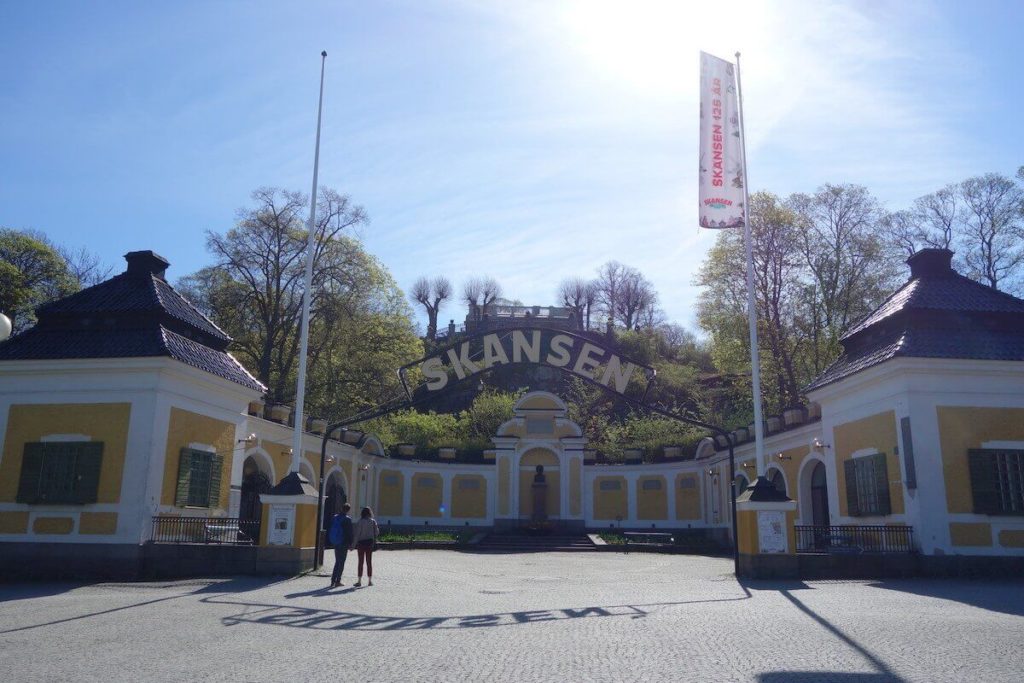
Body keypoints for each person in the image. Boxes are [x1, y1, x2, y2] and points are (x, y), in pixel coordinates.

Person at [351, 506, 379, 587]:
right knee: (369, 562)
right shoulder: (373, 521)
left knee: (360, 562)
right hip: (369, 544)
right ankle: (370, 581)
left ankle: (359, 581)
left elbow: (357, 535)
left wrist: (353, 546)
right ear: (370, 513)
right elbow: (377, 532)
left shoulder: (360, 522)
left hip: (361, 544)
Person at [328, 503, 354, 587]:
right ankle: (337, 581)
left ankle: (332, 580)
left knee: (337, 562)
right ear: (348, 510)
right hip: (343, 543)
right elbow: (349, 533)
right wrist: (351, 544)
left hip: (336, 542)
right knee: (341, 562)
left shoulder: (335, 517)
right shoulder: (347, 519)